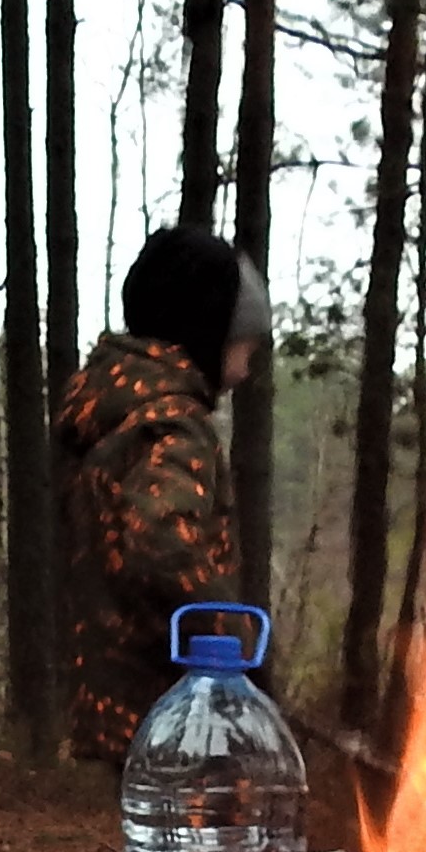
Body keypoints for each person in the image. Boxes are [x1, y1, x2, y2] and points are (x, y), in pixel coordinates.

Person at [56, 230, 265, 763]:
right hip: (177, 713)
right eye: (243, 345)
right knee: (207, 846)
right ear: (205, 333)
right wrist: (234, 640)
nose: (246, 368)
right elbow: (159, 539)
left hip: (118, 700)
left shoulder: (114, 411)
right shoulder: (173, 422)